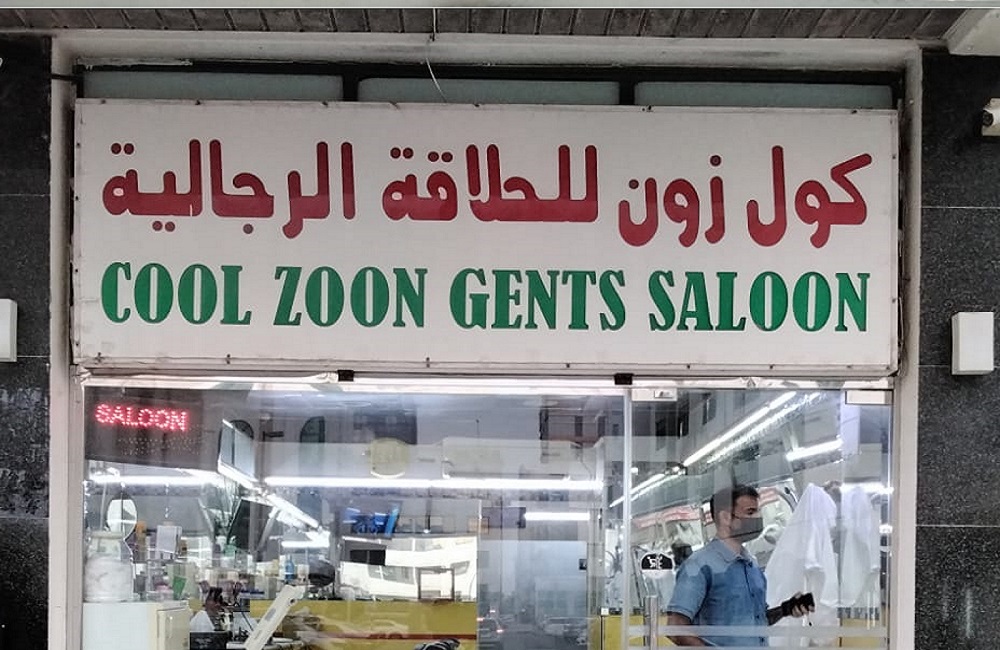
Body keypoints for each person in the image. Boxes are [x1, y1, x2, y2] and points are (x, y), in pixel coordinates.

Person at [666, 484, 813, 647]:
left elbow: (756, 621)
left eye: (758, 511)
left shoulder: (751, 565)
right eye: (750, 512)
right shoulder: (699, 566)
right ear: (726, 518)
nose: (758, 518)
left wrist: (786, 609)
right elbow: (675, 627)